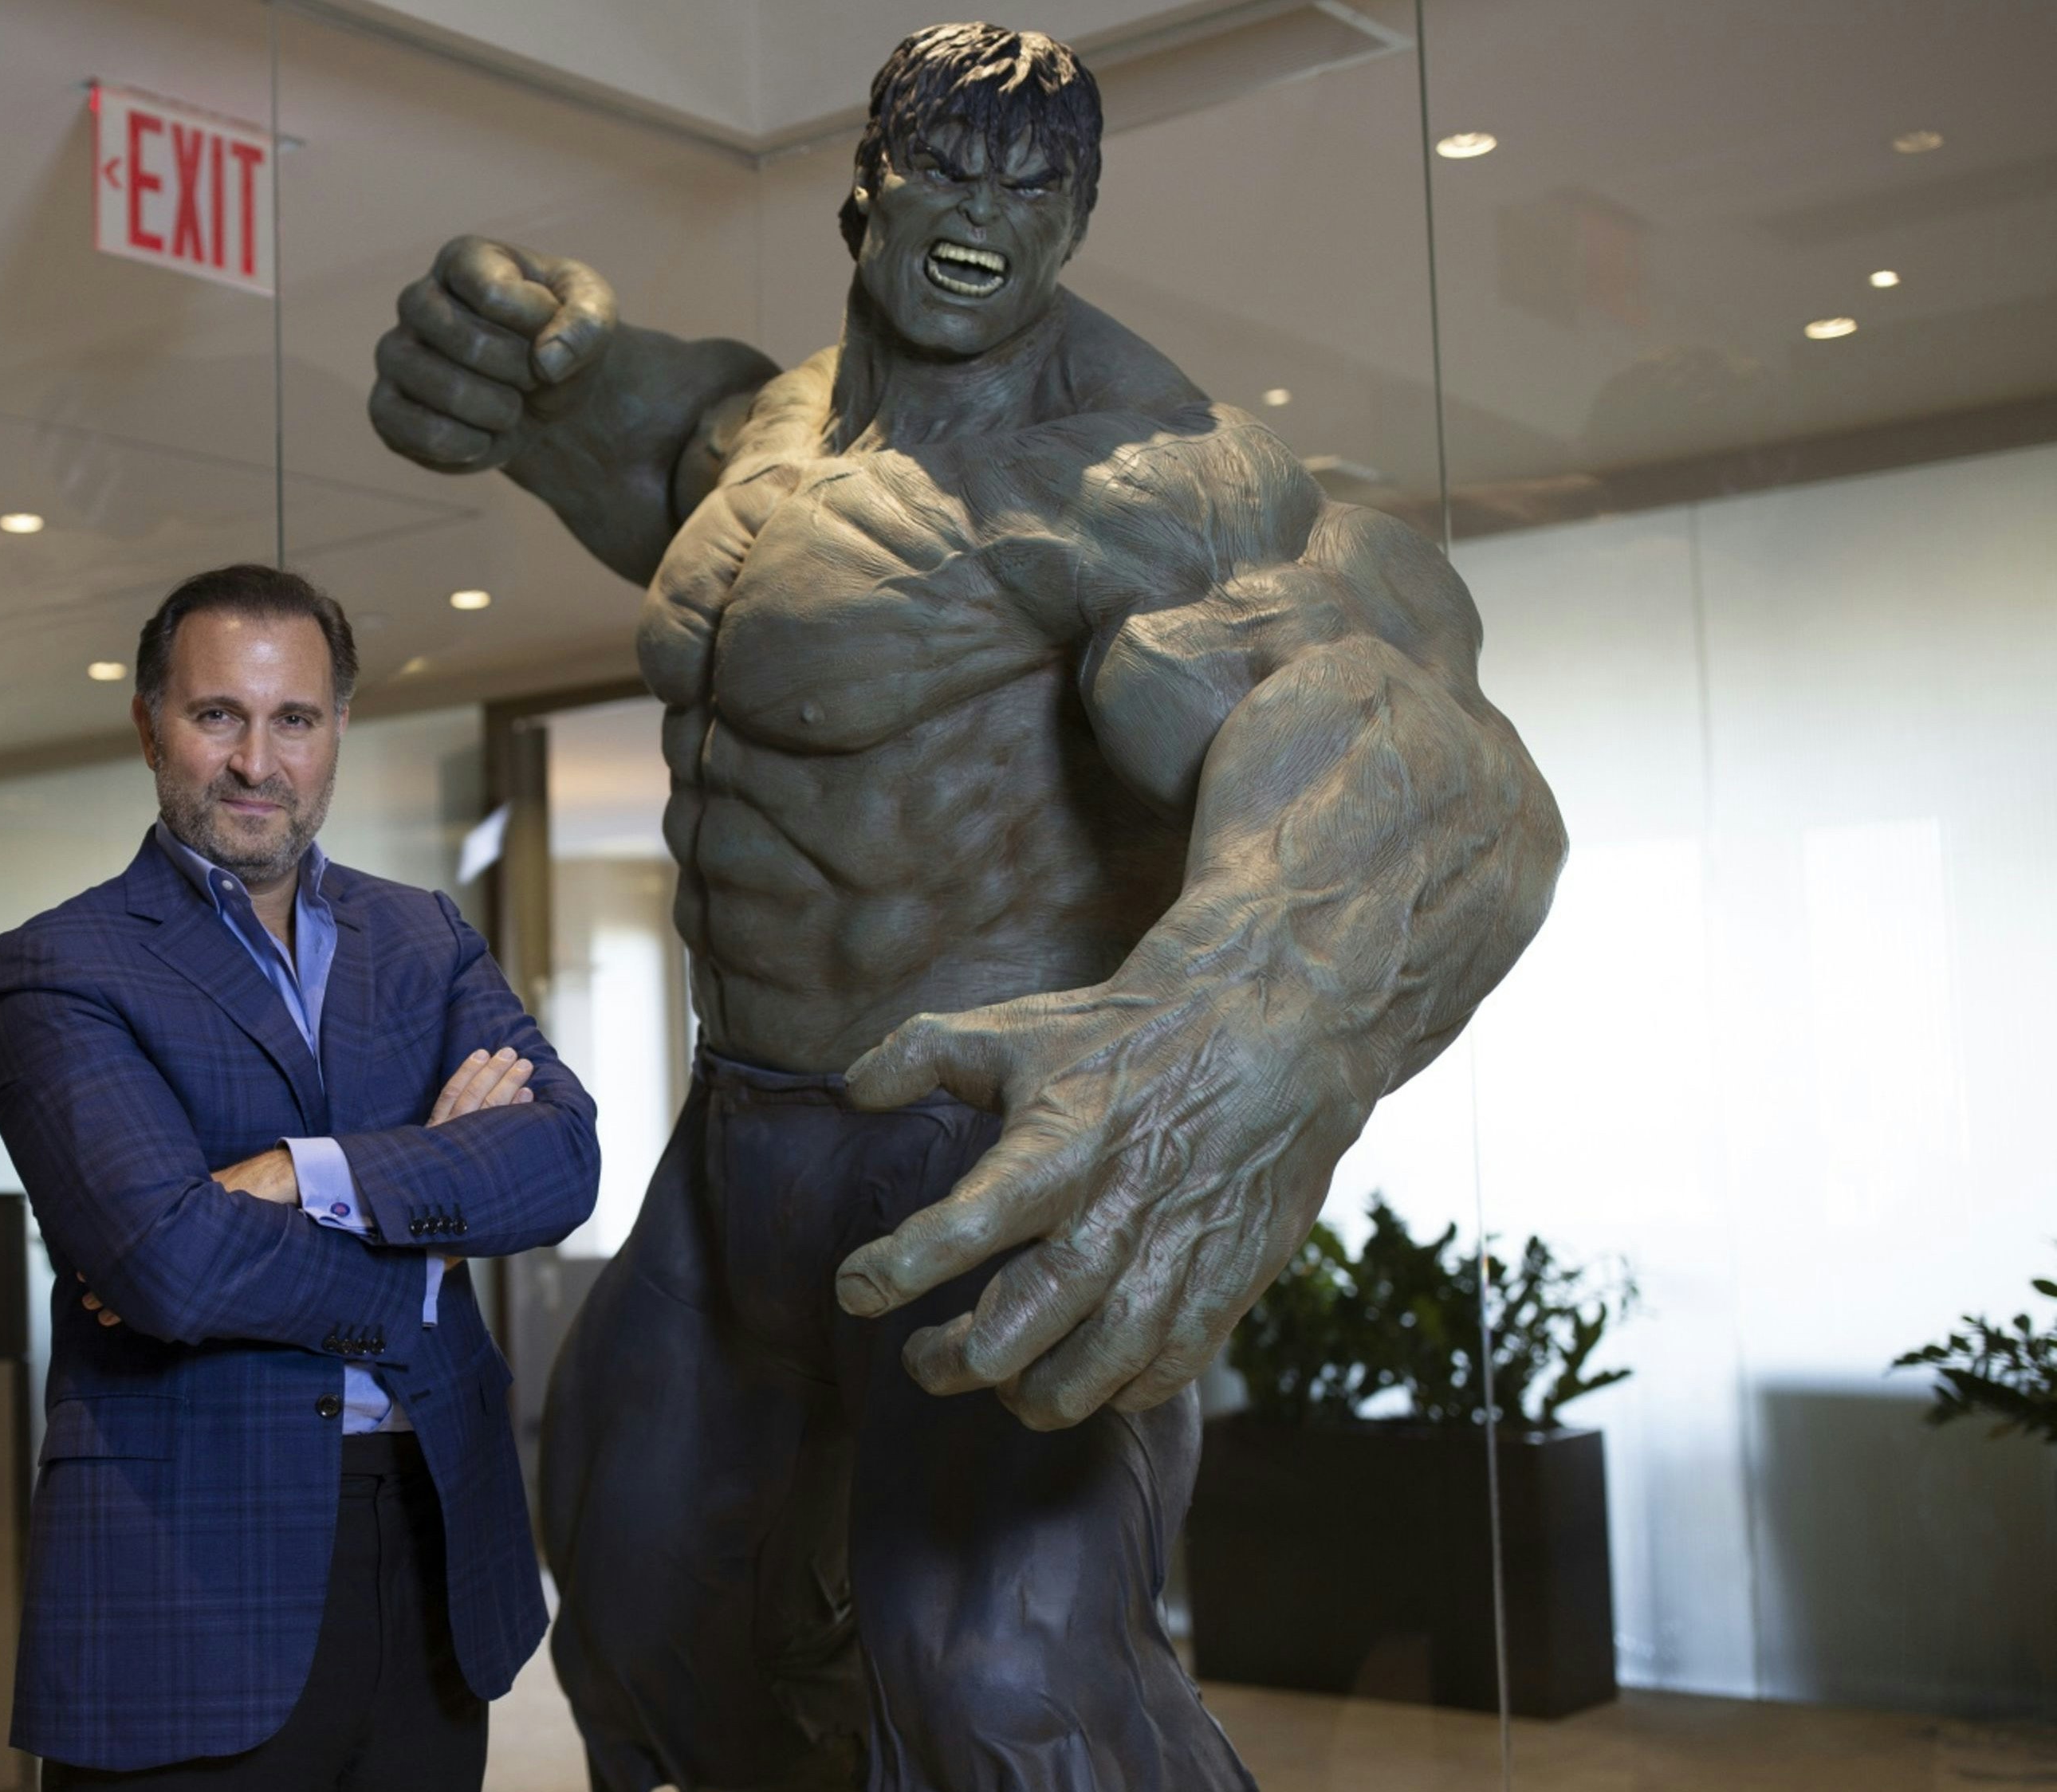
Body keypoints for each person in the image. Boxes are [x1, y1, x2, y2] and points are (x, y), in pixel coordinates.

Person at [366, 22, 1565, 1792]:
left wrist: (1254, 1022)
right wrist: (542, 387)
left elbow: (1431, 750)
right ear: (868, 187)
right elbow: (702, 493)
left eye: (1034, 188)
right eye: (948, 171)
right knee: (642, 1613)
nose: (984, 218)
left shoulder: (1154, 479)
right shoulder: (767, 432)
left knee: (1001, 1685)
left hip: (970, 1153)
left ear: (1076, 220)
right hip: (736, 1150)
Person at [0, 563, 600, 1790]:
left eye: (294, 719)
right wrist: (429, 1238)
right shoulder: (60, 966)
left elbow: (563, 1160)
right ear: (149, 724)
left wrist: (296, 1172)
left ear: (337, 731)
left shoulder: (423, 936)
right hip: (186, 1572)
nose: (257, 762)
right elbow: (170, 1267)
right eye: (218, 715)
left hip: (433, 1539)